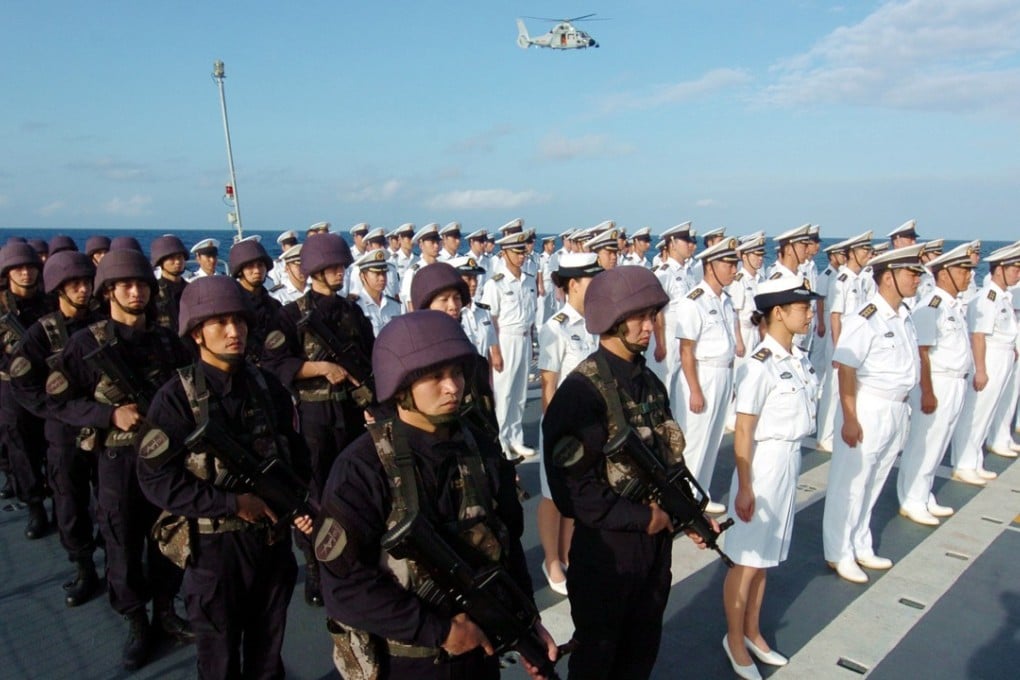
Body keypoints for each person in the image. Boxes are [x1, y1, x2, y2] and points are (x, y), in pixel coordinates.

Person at [315, 310, 557, 680]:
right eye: (435, 377)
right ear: (400, 386)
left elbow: (506, 547)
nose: (453, 387)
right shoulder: (362, 468)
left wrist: (526, 622)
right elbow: (344, 586)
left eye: (457, 373)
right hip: (407, 661)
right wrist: (440, 631)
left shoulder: (480, 448)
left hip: (480, 651)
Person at [543, 266, 716, 680]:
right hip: (608, 557)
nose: (649, 324)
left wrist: (689, 513)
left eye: (653, 313)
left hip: (653, 556)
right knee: (598, 664)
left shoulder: (649, 384)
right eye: (639, 315)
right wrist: (646, 518)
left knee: (639, 657)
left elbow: (668, 461)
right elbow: (573, 494)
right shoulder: (581, 394)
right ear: (611, 318)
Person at [137, 276, 314, 679]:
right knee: (218, 659)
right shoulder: (175, 398)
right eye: (220, 323)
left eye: (240, 321)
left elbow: (297, 455)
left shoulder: (267, 387)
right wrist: (232, 503)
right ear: (197, 333)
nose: (234, 332)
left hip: (270, 542)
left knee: (268, 654)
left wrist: (298, 503)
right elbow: (156, 479)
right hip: (215, 550)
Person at [50, 248, 194, 669]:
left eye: (141, 286)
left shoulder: (168, 340)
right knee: (122, 542)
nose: (136, 293)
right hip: (117, 460)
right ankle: (136, 621)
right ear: (108, 292)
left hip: (167, 457)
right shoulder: (85, 345)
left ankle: (166, 611)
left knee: (168, 537)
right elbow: (60, 400)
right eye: (125, 286)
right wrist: (108, 414)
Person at [261, 231, 375, 606]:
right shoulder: (291, 316)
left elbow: (370, 363)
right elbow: (274, 362)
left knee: (356, 487)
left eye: (341, 265)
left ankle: (355, 558)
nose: (339, 271)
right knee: (314, 493)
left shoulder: (354, 313)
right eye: (331, 266)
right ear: (314, 271)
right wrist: (320, 367)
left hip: (352, 413)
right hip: (313, 417)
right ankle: (315, 565)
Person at [721, 278, 821, 680]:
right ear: (779, 312)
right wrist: (745, 486)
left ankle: (752, 631)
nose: (810, 315)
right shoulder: (759, 365)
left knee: (763, 561)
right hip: (762, 466)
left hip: (788, 461)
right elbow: (744, 431)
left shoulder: (796, 359)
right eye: (803, 309)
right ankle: (732, 639)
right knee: (744, 562)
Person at [822, 244, 924, 584]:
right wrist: (850, 417)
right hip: (869, 406)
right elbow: (846, 369)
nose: (917, 279)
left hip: (896, 407)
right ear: (890, 277)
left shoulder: (904, 315)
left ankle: (860, 542)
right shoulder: (865, 317)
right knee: (851, 483)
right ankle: (839, 551)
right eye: (912, 273)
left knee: (876, 479)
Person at [10, 251, 103, 606]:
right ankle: (83, 567)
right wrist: (54, 410)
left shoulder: (102, 323)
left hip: (104, 425)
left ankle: (115, 565)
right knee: (70, 500)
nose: (82, 290)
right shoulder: (42, 333)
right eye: (73, 285)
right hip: (65, 431)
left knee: (109, 501)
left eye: (86, 283)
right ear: (58, 290)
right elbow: (23, 381)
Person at [535, 252, 602, 596]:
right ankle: (550, 560)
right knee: (552, 497)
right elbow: (549, 385)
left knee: (574, 495)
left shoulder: (594, 322)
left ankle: (567, 555)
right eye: (591, 280)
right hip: (561, 429)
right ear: (573, 284)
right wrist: (553, 434)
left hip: (587, 426)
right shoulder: (554, 328)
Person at [896, 242, 977, 524]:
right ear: (944, 274)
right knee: (924, 442)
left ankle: (924, 492)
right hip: (937, 383)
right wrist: (928, 392)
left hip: (954, 382)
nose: (969, 276)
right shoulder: (931, 306)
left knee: (939, 442)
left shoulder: (952, 307)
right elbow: (922, 352)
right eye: (963, 270)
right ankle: (911, 498)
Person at [673, 238, 741, 514]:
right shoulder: (693, 302)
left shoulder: (726, 300)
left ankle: (701, 492)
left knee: (712, 440)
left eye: (735, 263)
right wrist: (695, 389)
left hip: (723, 374)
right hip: (701, 375)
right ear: (711, 266)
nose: (734, 269)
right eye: (729, 264)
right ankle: (682, 498)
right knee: (695, 441)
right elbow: (686, 350)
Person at [950, 243, 1020, 485]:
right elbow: (978, 335)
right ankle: (963, 463)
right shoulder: (987, 298)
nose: (1018, 273)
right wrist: (980, 369)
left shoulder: (1002, 297)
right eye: (1015, 269)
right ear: (1000, 269)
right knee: (976, 412)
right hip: (989, 357)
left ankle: (974, 460)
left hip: (1003, 357)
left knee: (988, 411)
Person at [0, 242, 52, 534]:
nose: (26, 273)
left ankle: (60, 503)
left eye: (31, 267)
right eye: (18, 268)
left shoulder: (49, 304)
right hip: (13, 388)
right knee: (21, 449)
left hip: (48, 385)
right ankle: (34, 507)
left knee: (55, 448)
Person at [813, 231, 874, 452]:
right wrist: (838, 348)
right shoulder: (842, 280)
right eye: (864, 250)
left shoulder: (858, 279)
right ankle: (824, 435)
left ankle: (837, 429)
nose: (868, 253)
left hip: (854, 343)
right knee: (833, 388)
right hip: (841, 343)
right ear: (852, 253)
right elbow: (835, 315)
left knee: (848, 389)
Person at [481, 230, 539, 459]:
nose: (522, 256)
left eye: (523, 251)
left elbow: (532, 314)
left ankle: (517, 438)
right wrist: (494, 351)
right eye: (517, 252)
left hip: (524, 339)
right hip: (505, 339)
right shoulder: (495, 283)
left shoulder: (529, 280)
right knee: (503, 393)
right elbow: (490, 319)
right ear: (504, 253)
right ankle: (502, 440)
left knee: (520, 392)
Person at [228, 237, 282, 362]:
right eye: (250, 266)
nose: (257, 271)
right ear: (240, 271)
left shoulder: (274, 305)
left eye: (260, 265)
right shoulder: (232, 306)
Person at [352, 249, 402, 336]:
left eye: (384, 273)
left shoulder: (395, 305)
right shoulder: (355, 307)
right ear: (363, 276)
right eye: (377, 274)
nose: (382, 278)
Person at [150, 234, 190, 331]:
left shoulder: (191, 289)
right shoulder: (153, 291)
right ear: (161, 261)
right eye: (172, 258)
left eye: (180, 257)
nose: (177, 262)